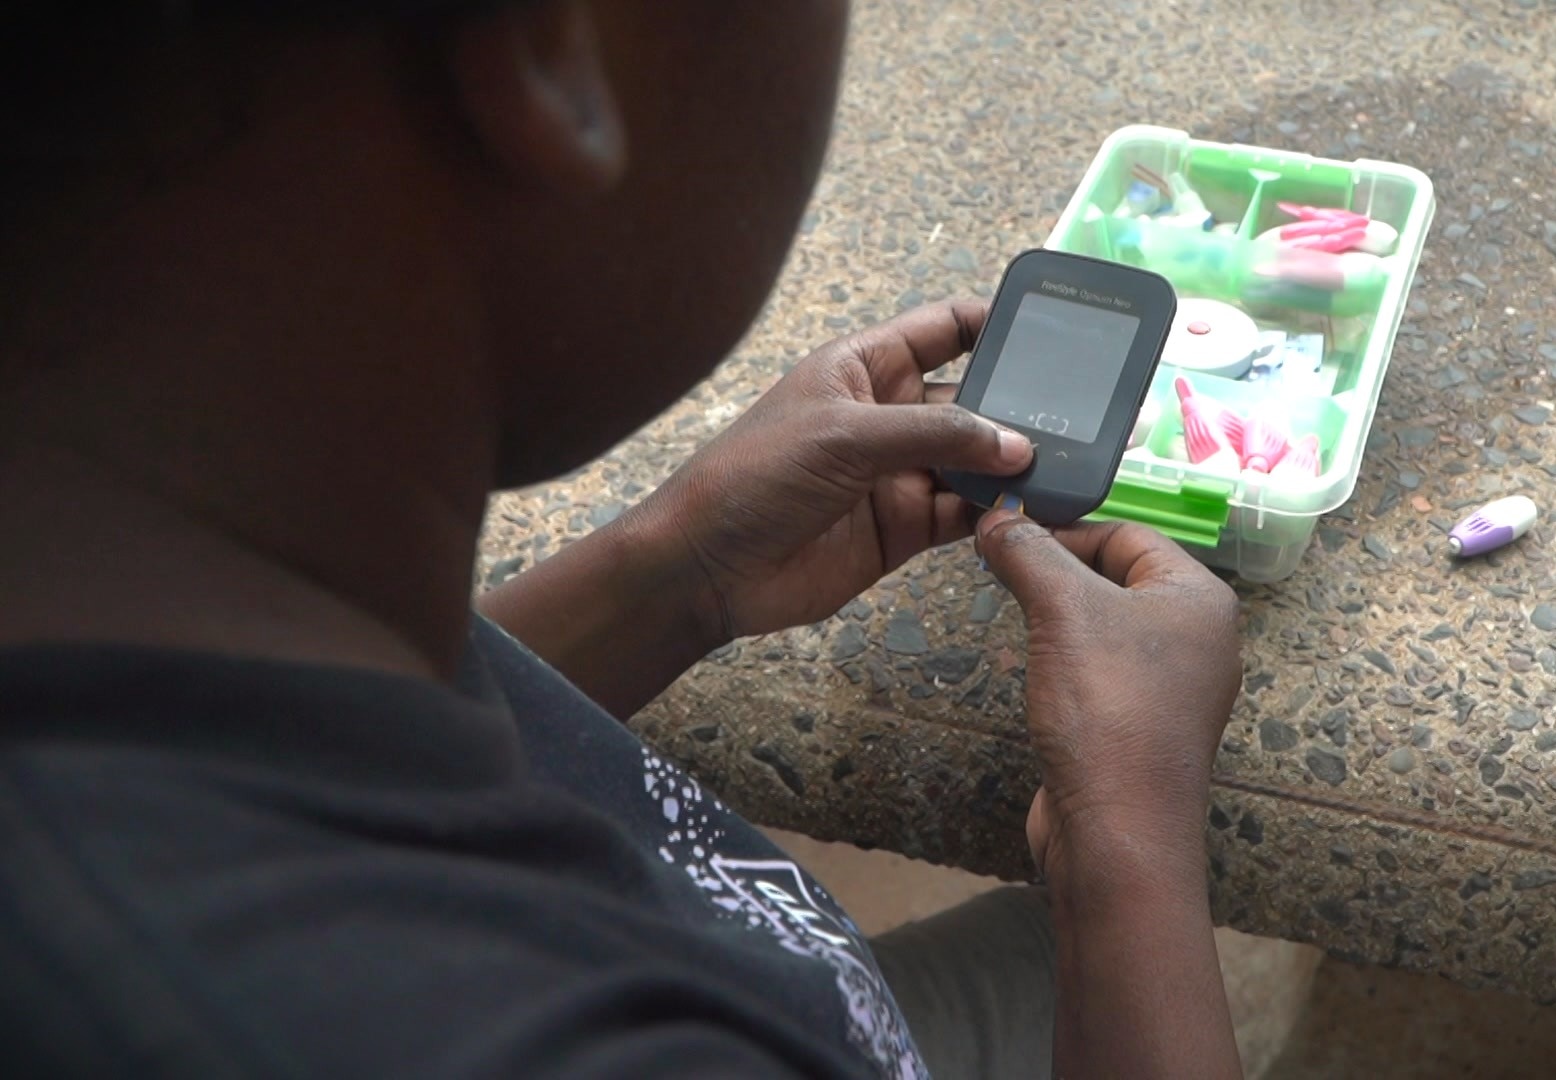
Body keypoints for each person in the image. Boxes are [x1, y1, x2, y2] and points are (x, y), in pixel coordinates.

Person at [0, 2, 1245, 1077]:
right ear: (554, 50)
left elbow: (317, 745)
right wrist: (1125, 849)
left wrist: (677, 572)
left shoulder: (145, 572)